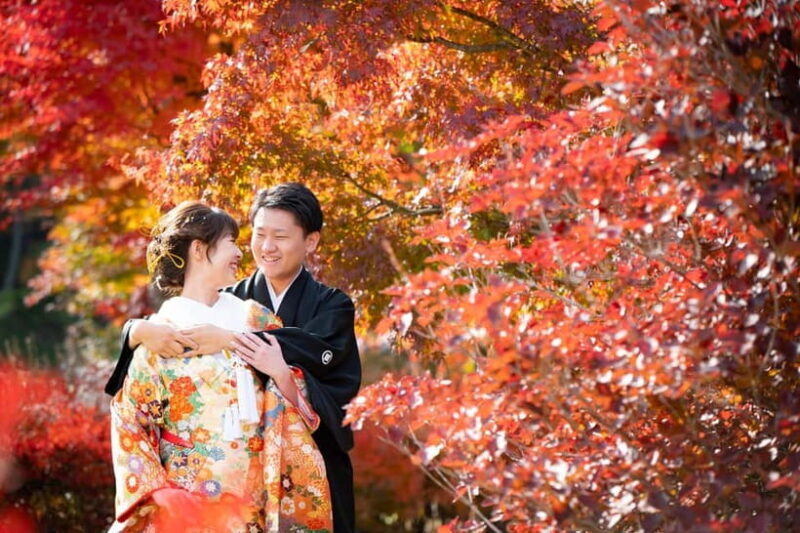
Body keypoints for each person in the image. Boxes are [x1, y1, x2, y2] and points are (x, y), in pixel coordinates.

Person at [106, 184, 361, 532]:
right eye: (258, 235)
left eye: (281, 237)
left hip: (288, 479)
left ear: (311, 241)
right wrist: (134, 331)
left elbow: (310, 360)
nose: (264, 248)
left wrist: (231, 341)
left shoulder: (316, 307)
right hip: (192, 490)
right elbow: (131, 411)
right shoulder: (223, 298)